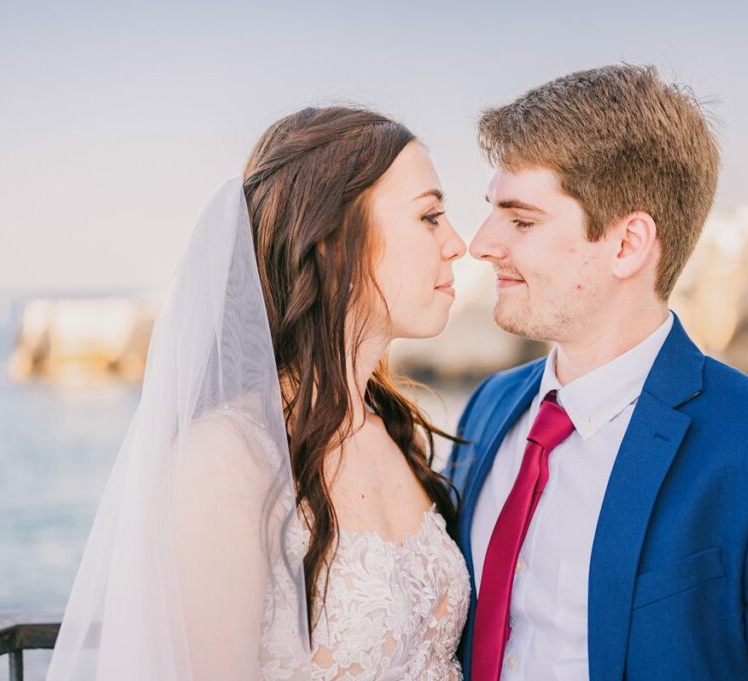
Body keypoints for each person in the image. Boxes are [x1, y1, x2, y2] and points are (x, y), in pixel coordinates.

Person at [446, 64, 748, 680]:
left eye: (521, 219)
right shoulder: (490, 407)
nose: (480, 243)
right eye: (491, 211)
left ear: (627, 244)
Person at [46, 106, 472, 680]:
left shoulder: (388, 429)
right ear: (333, 241)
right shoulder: (227, 456)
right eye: (430, 217)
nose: (458, 244)